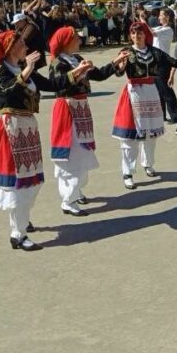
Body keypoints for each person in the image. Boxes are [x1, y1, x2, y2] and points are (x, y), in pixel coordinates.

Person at [0, 30, 91, 251]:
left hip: (28, 127)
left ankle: (22, 219)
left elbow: (52, 85)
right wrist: (27, 70)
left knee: (34, 180)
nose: (26, 47)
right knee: (20, 182)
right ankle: (18, 233)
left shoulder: (26, 70)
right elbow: (6, 93)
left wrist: (78, 72)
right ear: (11, 47)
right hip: (12, 128)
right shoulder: (1, 71)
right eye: (22, 43)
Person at [112, 22, 177, 189]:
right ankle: (128, 172)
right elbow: (119, 72)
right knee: (130, 137)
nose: (136, 36)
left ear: (145, 34)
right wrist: (119, 66)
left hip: (151, 93)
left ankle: (148, 163)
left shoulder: (154, 51)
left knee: (151, 133)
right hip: (133, 94)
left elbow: (175, 62)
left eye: (139, 33)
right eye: (133, 33)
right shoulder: (126, 52)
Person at [47, 27, 125, 216]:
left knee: (82, 150)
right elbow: (57, 84)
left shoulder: (78, 59)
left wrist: (115, 62)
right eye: (76, 38)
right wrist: (78, 72)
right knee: (70, 151)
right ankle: (68, 199)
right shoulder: (58, 62)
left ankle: (76, 190)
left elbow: (97, 74)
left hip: (81, 108)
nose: (80, 41)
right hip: (67, 108)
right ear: (66, 41)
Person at [150, 9, 177, 123]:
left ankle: (175, 115)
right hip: (155, 61)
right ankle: (161, 115)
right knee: (158, 91)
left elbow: (151, 33)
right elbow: (149, 30)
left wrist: (143, 19)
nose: (159, 17)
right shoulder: (160, 28)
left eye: (161, 15)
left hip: (163, 62)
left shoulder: (168, 29)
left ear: (167, 17)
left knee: (166, 90)